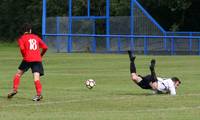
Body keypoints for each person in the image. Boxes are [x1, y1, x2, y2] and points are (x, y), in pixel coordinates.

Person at [7, 23, 48, 101]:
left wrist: (24, 56)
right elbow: (45, 47)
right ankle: (39, 94)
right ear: (30, 30)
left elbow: (22, 49)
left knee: (18, 74)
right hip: (37, 59)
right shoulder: (36, 37)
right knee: (36, 78)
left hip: (27, 59)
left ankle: (14, 90)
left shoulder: (21, 38)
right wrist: (40, 55)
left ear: (23, 31)